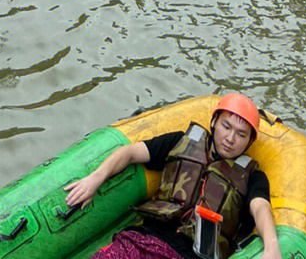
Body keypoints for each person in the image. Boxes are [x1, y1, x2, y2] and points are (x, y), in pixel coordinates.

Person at [64, 92, 281, 259]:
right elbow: (130, 152)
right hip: (144, 238)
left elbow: (261, 207)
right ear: (214, 122)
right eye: (226, 126)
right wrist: (95, 179)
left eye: (241, 134)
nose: (230, 138)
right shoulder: (180, 141)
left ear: (249, 141)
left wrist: (271, 246)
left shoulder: (252, 176)